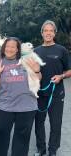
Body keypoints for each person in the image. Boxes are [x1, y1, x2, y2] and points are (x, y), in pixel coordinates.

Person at [0, 37, 41, 156]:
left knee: (21, 139)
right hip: (6, 106)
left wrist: (36, 70)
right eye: (7, 46)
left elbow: (38, 79)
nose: (9, 49)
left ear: (18, 49)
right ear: (4, 48)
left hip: (27, 106)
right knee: (1, 133)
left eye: (13, 46)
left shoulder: (27, 60)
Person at [34, 20, 71, 156]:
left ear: (54, 33)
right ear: (42, 33)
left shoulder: (61, 50)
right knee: (39, 123)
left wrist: (61, 76)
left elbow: (69, 71)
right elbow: (32, 71)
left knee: (56, 124)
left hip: (57, 94)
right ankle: (41, 149)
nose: (48, 33)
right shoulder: (36, 51)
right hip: (40, 94)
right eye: (46, 31)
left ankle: (52, 150)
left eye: (51, 31)